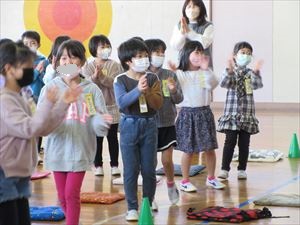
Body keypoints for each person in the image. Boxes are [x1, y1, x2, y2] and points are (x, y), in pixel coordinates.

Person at [0, 42, 81, 225]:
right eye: (26, 67)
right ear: (9, 69)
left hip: (18, 174)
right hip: (4, 175)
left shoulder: (20, 96)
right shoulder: (4, 100)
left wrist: (63, 103)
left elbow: (42, 128)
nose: (32, 70)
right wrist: (48, 103)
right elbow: (32, 128)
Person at [39, 39, 112, 225]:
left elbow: (96, 119)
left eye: (73, 58)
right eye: (64, 59)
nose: (68, 63)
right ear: (57, 62)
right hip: (57, 151)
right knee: (62, 197)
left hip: (81, 150)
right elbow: (41, 119)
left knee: (71, 195)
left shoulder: (90, 90)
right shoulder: (51, 88)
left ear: (81, 61)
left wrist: (101, 123)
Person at [113, 38, 163, 221]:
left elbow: (158, 104)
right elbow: (122, 103)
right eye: (139, 57)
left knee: (149, 168)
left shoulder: (153, 78)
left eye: (145, 56)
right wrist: (137, 91)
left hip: (149, 124)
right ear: (128, 61)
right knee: (131, 169)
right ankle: (132, 206)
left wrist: (147, 91)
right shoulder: (120, 79)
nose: (144, 59)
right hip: (128, 125)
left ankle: (148, 203)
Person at [169, 40, 225, 192]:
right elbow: (173, 88)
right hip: (187, 114)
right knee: (188, 150)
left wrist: (206, 70)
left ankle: (211, 178)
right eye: (196, 52)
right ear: (187, 55)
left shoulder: (204, 72)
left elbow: (212, 84)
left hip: (204, 113)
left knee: (210, 148)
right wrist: (173, 74)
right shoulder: (180, 73)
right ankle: (185, 181)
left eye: (201, 52)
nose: (199, 55)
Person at [217, 41, 263, 180]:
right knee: (229, 141)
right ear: (235, 55)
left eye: (249, 54)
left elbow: (257, 85)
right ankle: (224, 169)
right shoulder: (230, 71)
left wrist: (256, 72)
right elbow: (224, 83)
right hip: (232, 114)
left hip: (247, 114)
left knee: (244, 143)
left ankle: (242, 169)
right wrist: (230, 70)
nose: (246, 55)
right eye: (243, 53)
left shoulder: (250, 73)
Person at [144, 38, 183, 205]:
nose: (160, 55)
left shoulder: (169, 75)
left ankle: (170, 184)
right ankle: (150, 195)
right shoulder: (142, 75)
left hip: (167, 124)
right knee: (150, 163)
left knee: (167, 161)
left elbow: (179, 98)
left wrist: (174, 90)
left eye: (162, 53)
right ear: (147, 55)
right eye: (156, 52)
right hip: (149, 124)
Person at [82, 34, 123, 176]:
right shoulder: (88, 65)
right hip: (95, 107)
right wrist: (94, 77)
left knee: (112, 138)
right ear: (94, 49)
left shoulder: (114, 65)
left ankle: (114, 165)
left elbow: (113, 83)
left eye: (107, 46)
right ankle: (98, 165)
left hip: (111, 106)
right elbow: (86, 84)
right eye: (102, 46)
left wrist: (101, 77)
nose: (106, 49)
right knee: (97, 138)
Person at [170, 0, 213, 68]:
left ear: (201, 8)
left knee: (203, 78)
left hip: (202, 67)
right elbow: (175, 46)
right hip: (184, 65)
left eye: (195, 6)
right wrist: (182, 34)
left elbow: (204, 44)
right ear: (185, 9)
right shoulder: (179, 25)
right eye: (189, 7)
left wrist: (189, 32)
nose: (191, 9)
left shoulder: (208, 26)